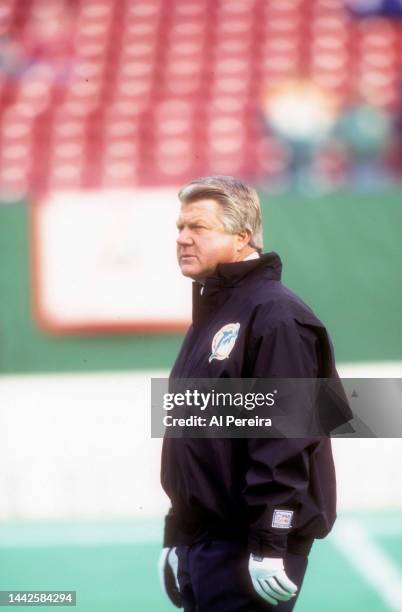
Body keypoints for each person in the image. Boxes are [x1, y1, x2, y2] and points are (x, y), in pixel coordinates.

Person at [158, 176, 347, 611]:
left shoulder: (277, 318)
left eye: (198, 228)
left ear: (242, 237)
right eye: (180, 228)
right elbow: (193, 434)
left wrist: (271, 540)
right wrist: (178, 535)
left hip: (250, 549)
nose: (183, 239)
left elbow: (285, 441)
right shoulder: (214, 313)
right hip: (205, 544)